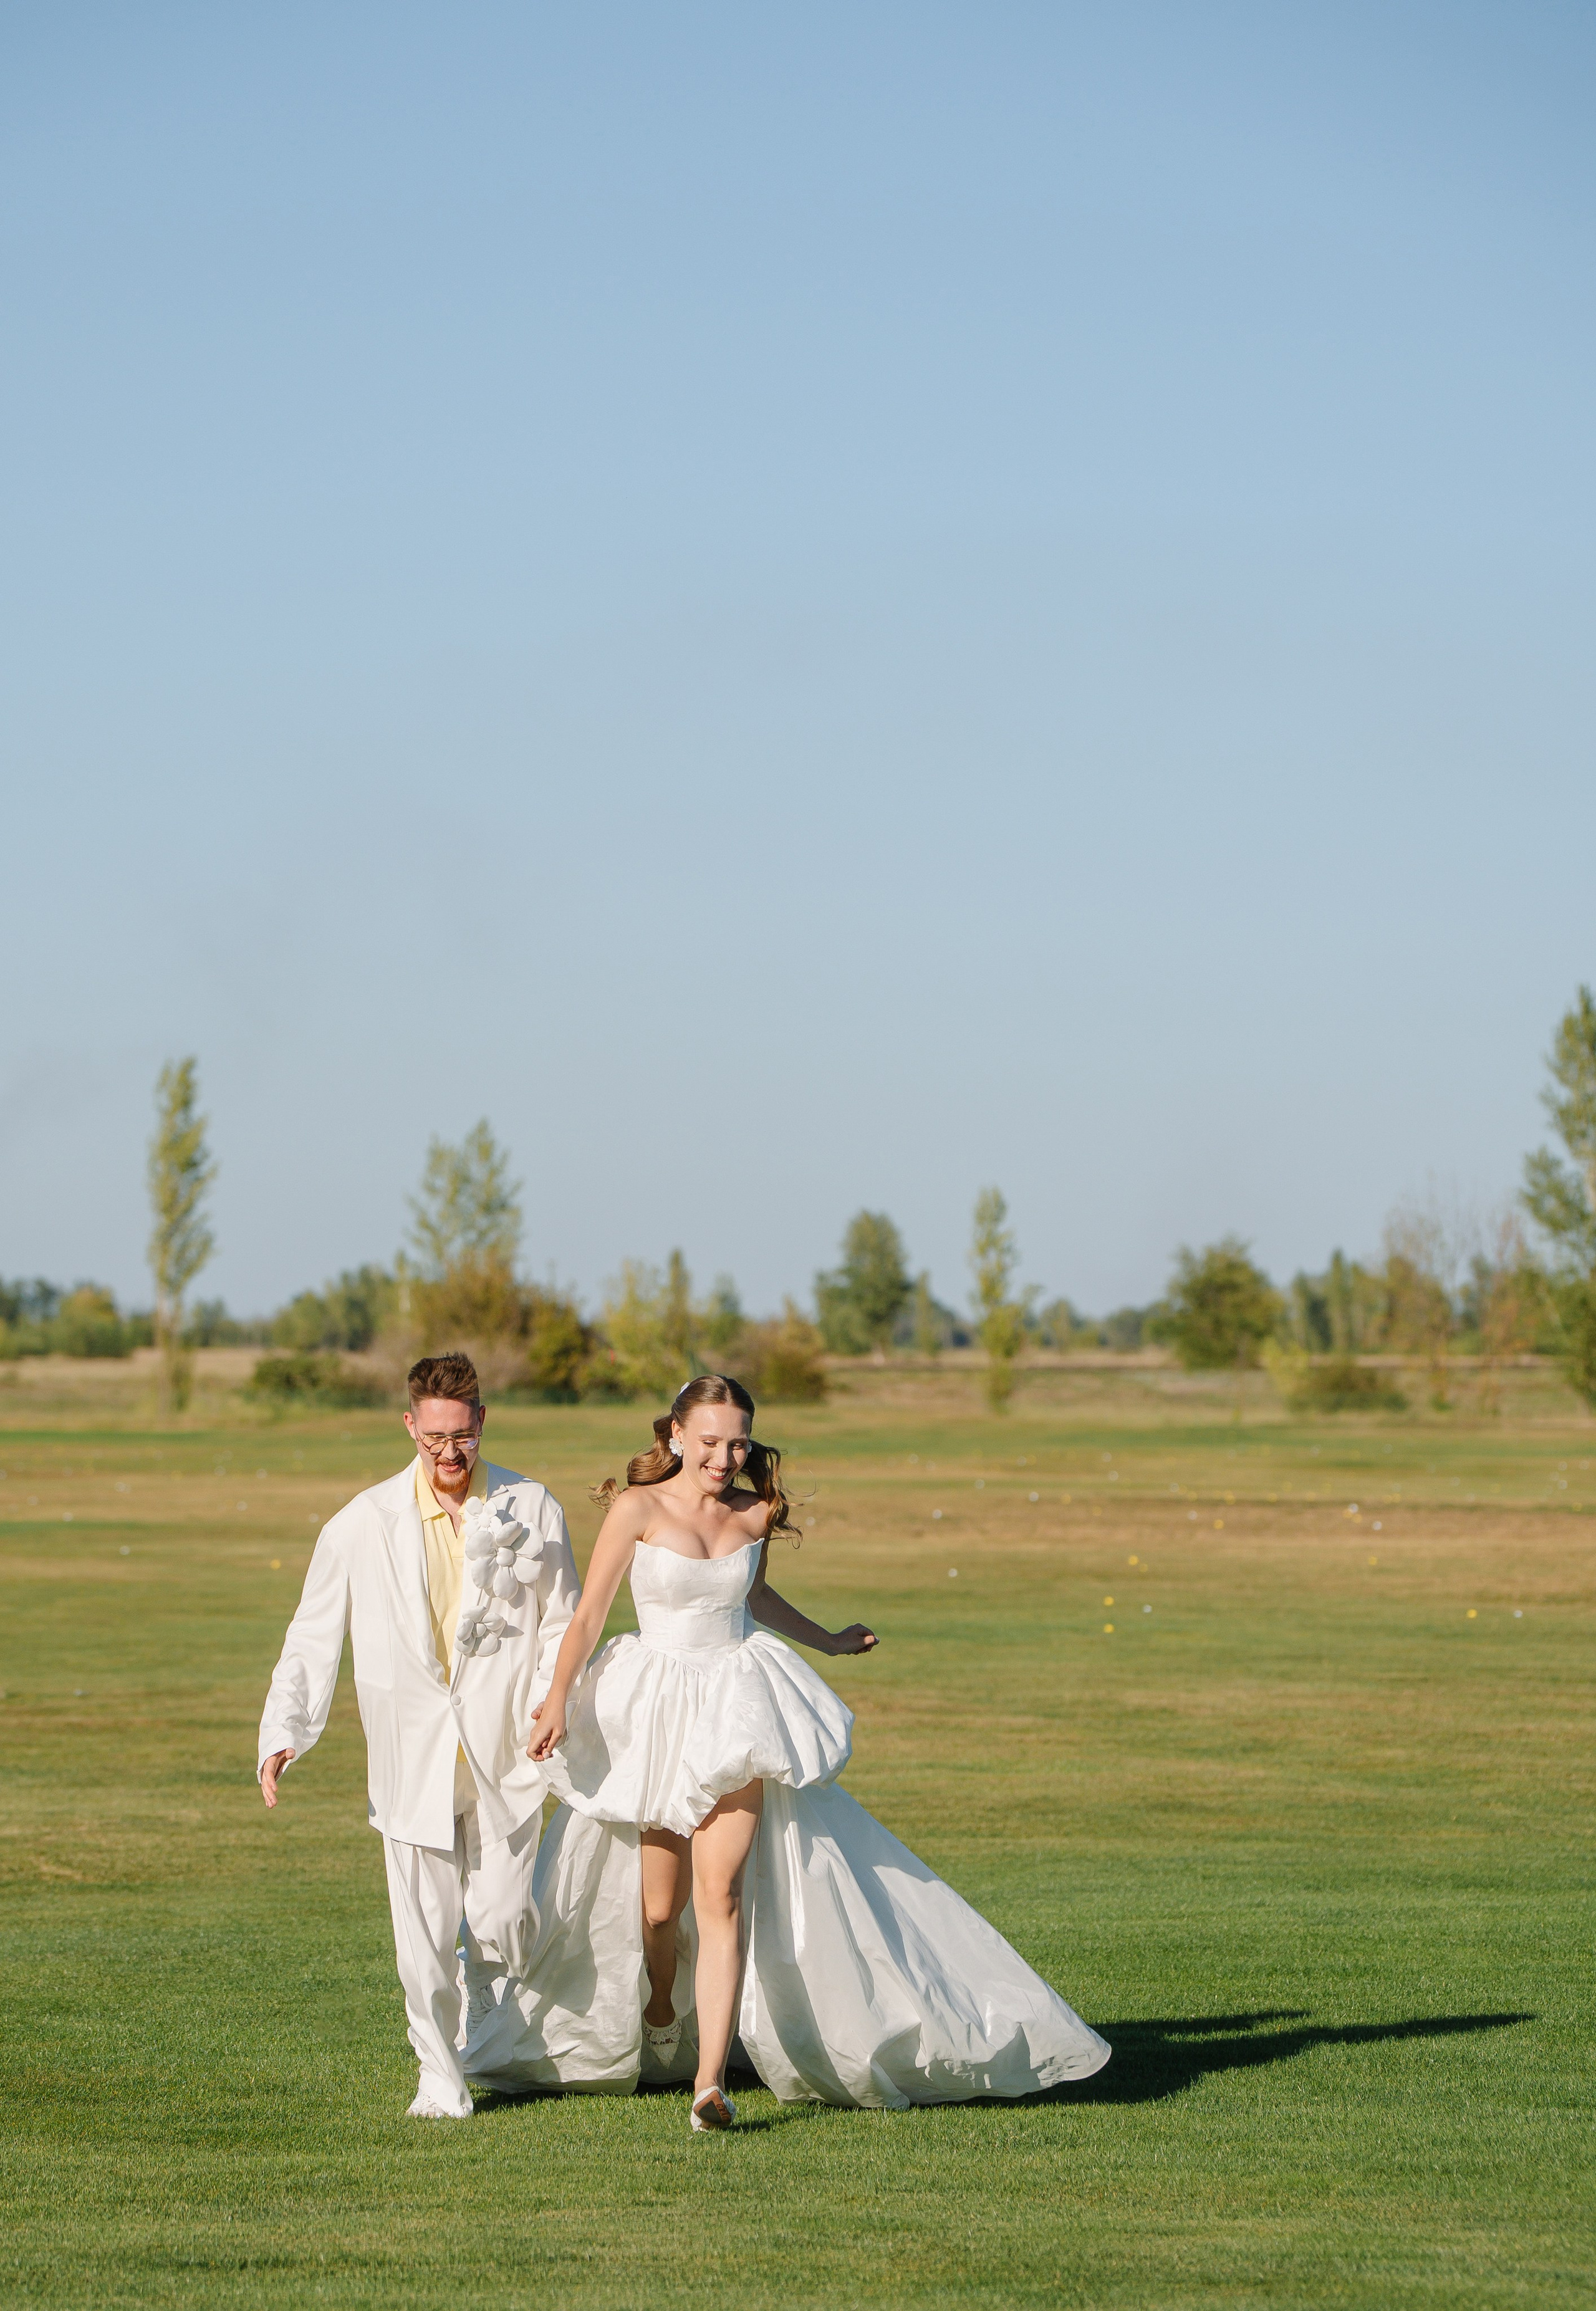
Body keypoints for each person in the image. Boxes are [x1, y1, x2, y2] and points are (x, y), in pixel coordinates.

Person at [465, 1373, 1110, 2127]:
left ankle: (710, 2083)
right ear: (675, 1435)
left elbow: (755, 1598)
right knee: (658, 1906)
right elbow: (587, 1618)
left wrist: (828, 1639)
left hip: (736, 1707)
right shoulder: (636, 1509)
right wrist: (555, 1702)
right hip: (655, 1709)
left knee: (723, 1894)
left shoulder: (757, 1510)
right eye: (709, 1441)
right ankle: (663, 2001)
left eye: (737, 1441)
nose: (725, 1455)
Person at [256, 1352, 580, 2118]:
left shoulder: (532, 1507)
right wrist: (285, 1729)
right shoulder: (360, 1522)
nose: (448, 1453)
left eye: (461, 1437)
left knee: (502, 1918)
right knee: (424, 1936)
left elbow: (564, 1617)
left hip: (507, 1750)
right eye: (433, 1436)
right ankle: (439, 2077)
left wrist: (546, 1702)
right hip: (411, 1759)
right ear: (410, 1425)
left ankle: (488, 2005)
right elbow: (313, 1633)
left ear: (481, 1424)